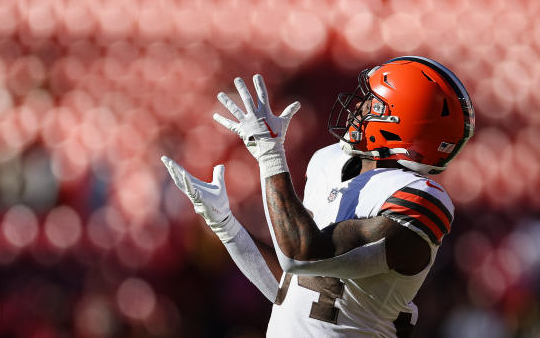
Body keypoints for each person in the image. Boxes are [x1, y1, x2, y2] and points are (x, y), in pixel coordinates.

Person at [162, 56, 475, 337]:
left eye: (372, 102)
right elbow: (294, 288)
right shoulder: (330, 161)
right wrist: (226, 225)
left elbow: (301, 255)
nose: (357, 108)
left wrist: (270, 156)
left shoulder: (419, 198)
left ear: (401, 121)